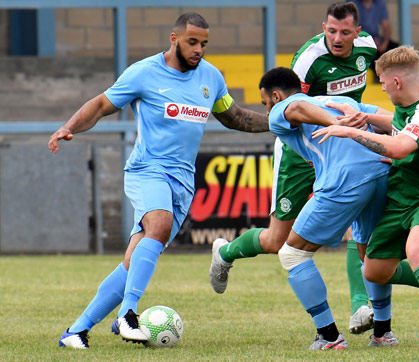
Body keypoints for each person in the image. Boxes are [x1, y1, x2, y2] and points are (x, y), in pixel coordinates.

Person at [50, 12, 269, 349]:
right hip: (147, 170)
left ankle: (75, 332)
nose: (198, 50)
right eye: (192, 42)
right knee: (160, 223)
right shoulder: (144, 73)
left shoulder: (211, 77)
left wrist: (280, 121)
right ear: (174, 38)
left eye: (204, 44)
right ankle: (128, 315)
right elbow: (101, 104)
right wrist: (69, 126)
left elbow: (235, 117)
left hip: (182, 181)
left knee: (133, 261)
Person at [209, 1, 379, 335]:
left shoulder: (369, 48)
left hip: (342, 148)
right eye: (331, 30)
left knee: (357, 224)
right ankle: (225, 252)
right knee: (277, 242)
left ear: (357, 32)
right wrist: (336, 123)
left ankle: (361, 305)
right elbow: (294, 108)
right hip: (302, 153)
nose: (337, 38)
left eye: (345, 32)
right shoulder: (309, 59)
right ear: (323, 27)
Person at [312, 45, 419, 350]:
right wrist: (363, 115)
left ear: (397, 83)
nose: (383, 87)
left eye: (383, 82)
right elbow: (397, 123)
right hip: (399, 201)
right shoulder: (409, 105)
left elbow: (400, 146)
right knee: (373, 270)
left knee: (417, 252)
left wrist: (349, 132)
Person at [255, 66, 392, 350]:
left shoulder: (282, 110)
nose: (268, 110)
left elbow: (298, 108)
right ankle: (383, 333)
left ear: (276, 96)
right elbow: (393, 119)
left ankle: (329, 336)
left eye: (266, 103)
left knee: (292, 254)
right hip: (380, 173)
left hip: (345, 179)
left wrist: (336, 126)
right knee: (371, 256)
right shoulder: (345, 102)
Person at [352, 0, 399, 68]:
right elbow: (352, 28)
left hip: (377, 39)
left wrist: (384, 43)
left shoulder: (380, 3)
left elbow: (386, 25)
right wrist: (371, 41)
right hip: (360, 39)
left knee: (395, 49)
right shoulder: (353, 3)